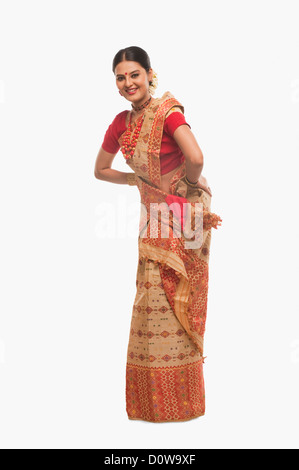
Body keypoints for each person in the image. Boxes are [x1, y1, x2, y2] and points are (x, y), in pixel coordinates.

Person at [94, 46, 222, 423]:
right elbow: (101, 169)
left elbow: (196, 158)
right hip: (155, 215)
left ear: (150, 74)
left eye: (135, 74)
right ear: (116, 83)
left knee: (177, 296)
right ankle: (158, 403)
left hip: (184, 218)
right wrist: (139, 180)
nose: (128, 82)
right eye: (121, 77)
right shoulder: (120, 124)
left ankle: (181, 403)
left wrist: (184, 187)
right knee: (154, 300)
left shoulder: (168, 112)